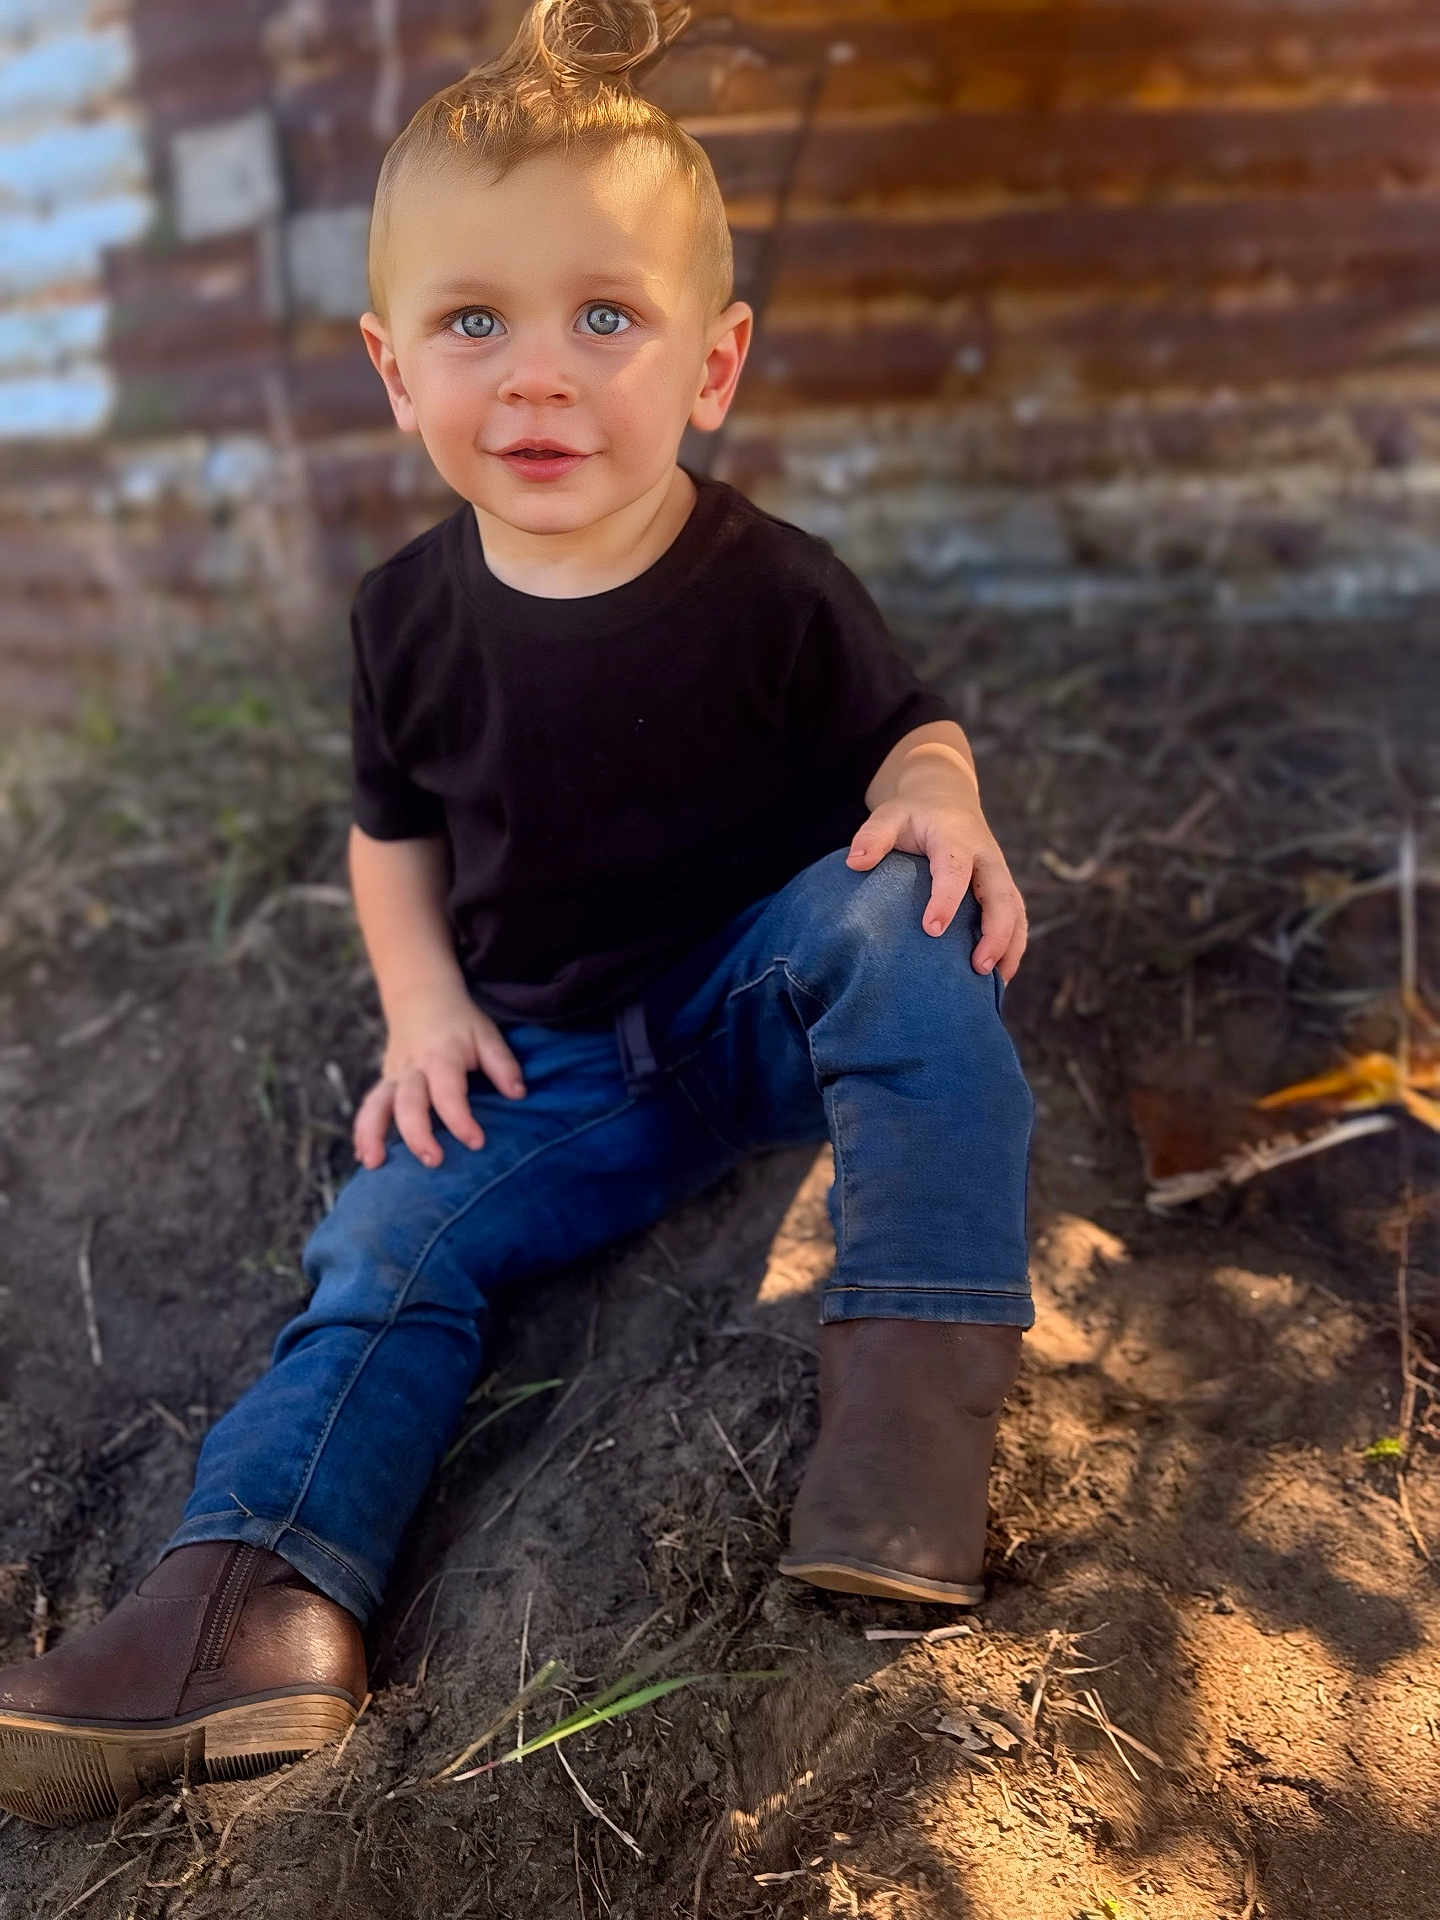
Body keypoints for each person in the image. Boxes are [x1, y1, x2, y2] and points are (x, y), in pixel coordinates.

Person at [0, 0, 1033, 1828]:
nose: (537, 378)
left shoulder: (775, 591)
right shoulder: (404, 617)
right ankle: (256, 1607)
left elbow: (912, 737)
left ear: (712, 365)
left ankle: (906, 1439)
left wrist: (936, 800)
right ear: (396, 374)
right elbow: (386, 833)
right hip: (557, 1067)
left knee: (903, 929)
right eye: (476, 322)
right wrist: (421, 1010)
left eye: (603, 318)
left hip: (758, 1003)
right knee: (388, 1236)